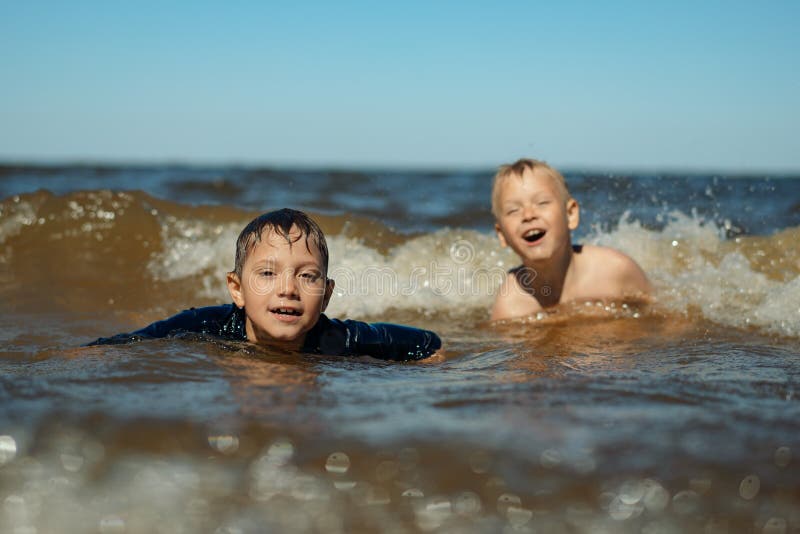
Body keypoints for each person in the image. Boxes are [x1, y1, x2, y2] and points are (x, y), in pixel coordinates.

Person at [87, 209, 441, 361]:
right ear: (237, 289)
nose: (288, 289)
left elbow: (425, 343)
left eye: (307, 276)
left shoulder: (338, 339)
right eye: (268, 274)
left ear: (327, 295)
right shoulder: (210, 324)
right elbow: (136, 341)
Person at [491, 158, 652, 321]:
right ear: (502, 235)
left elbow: (658, 319)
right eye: (513, 210)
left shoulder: (616, 271)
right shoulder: (510, 306)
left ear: (570, 214)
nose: (528, 215)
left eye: (542, 203)